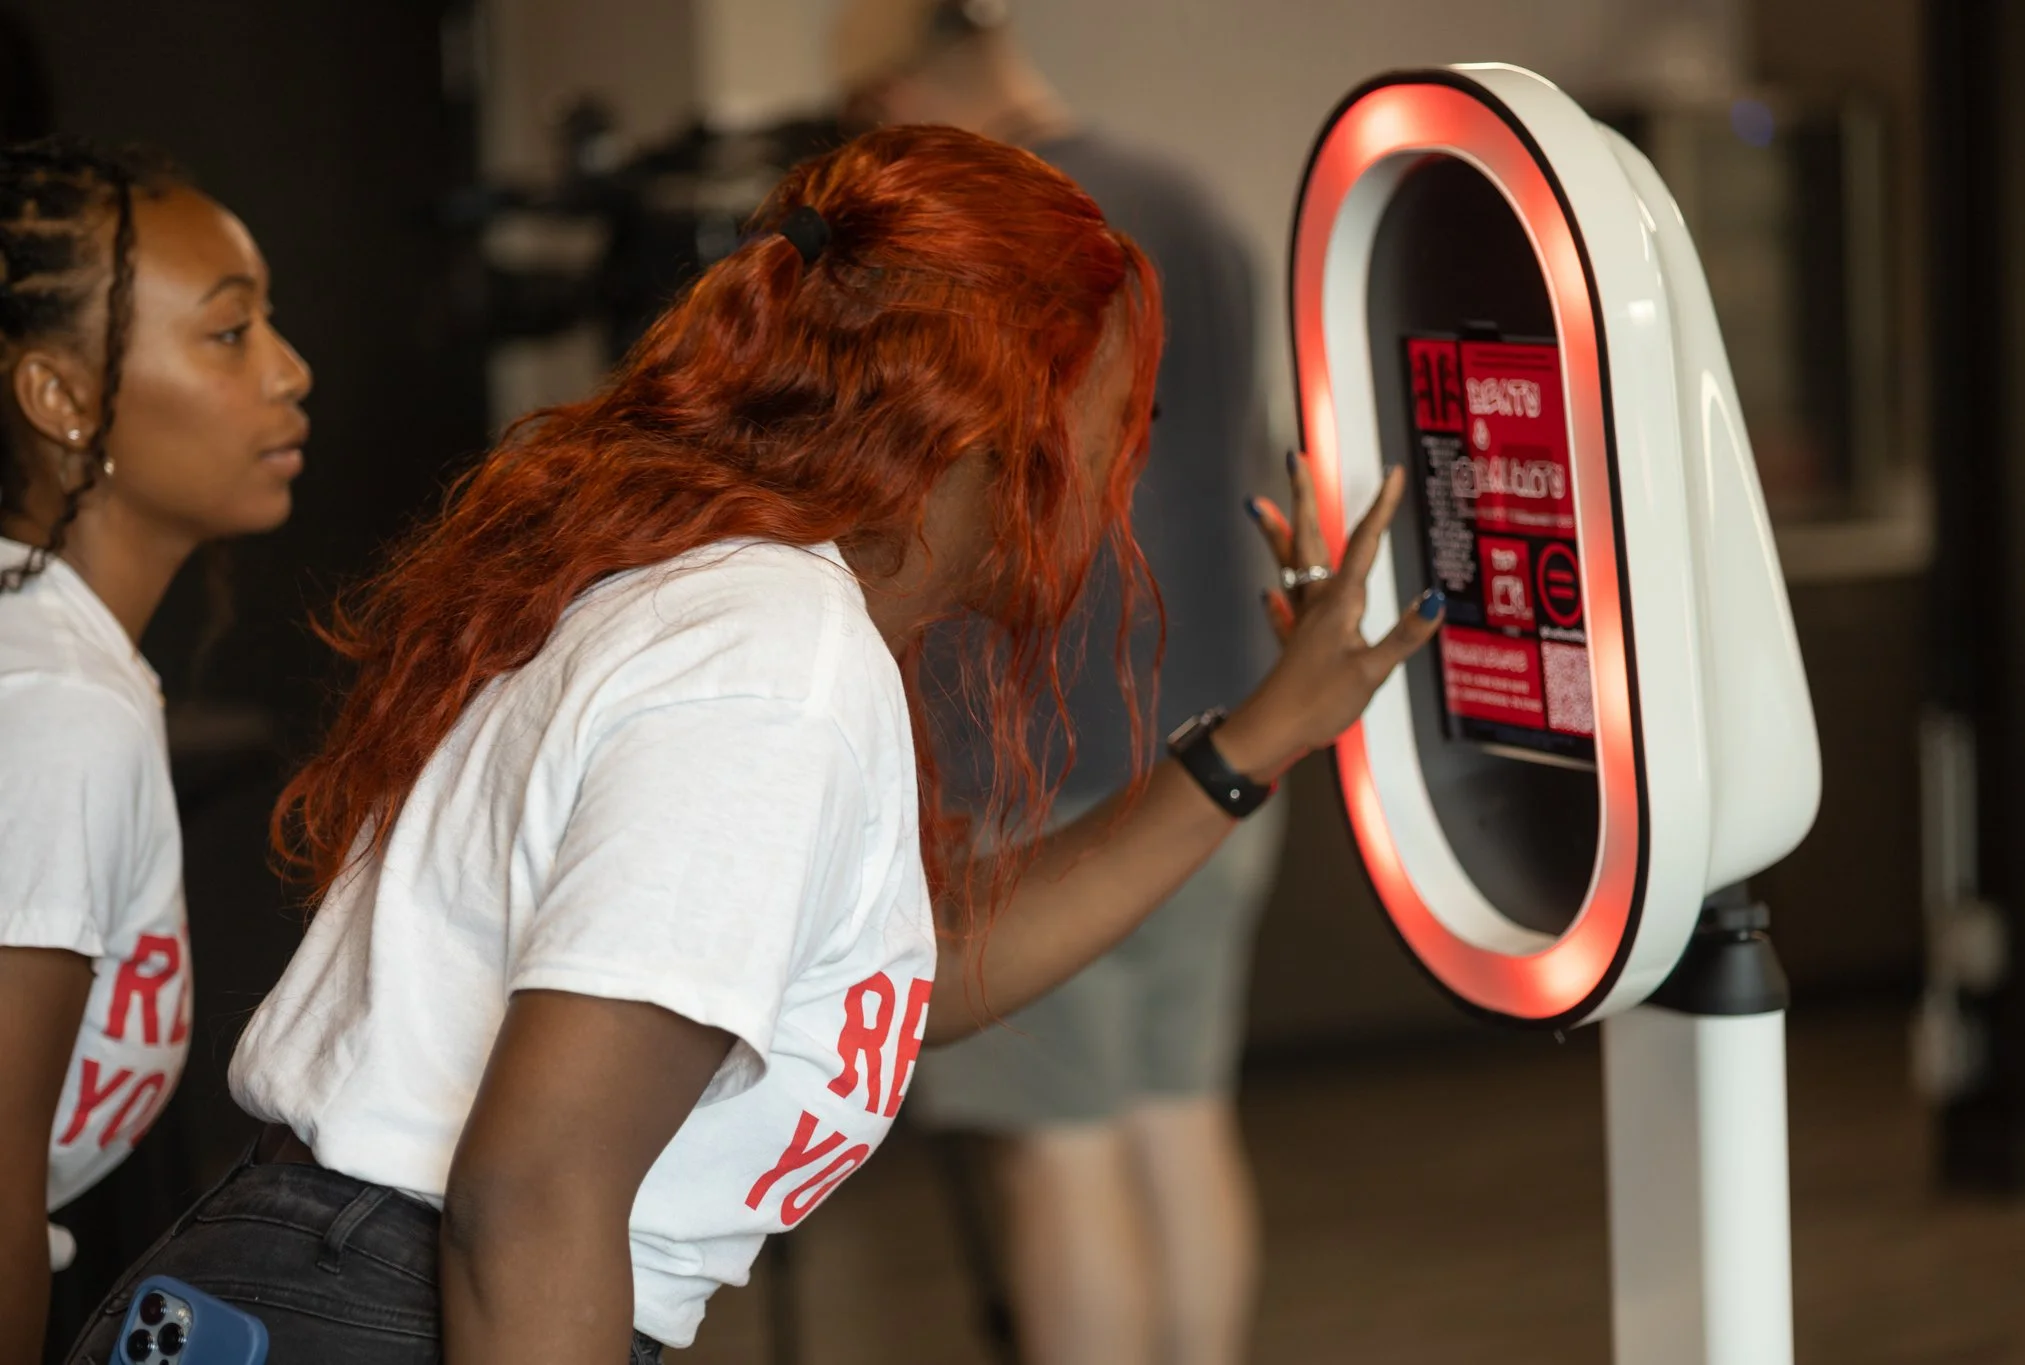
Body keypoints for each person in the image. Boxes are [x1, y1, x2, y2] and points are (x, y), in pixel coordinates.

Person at [64, 124, 1441, 1364]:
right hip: (385, 1307)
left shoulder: (760, 610)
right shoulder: (768, 657)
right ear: (1005, 420)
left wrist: (1262, 734)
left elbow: (905, 985)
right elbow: (533, 1193)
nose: (1121, 470)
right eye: (1115, 414)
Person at [833, 5, 1280, 1363]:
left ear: (901, 82)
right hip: (1221, 726)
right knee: (1177, 1116)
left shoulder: (974, 241)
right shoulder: (1188, 202)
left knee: (1056, 1151)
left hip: (1019, 754)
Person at [0, 137, 312, 1363]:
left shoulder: (63, 667)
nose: (291, 371)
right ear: (63, 397)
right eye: (230, 334)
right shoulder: (52, 705)